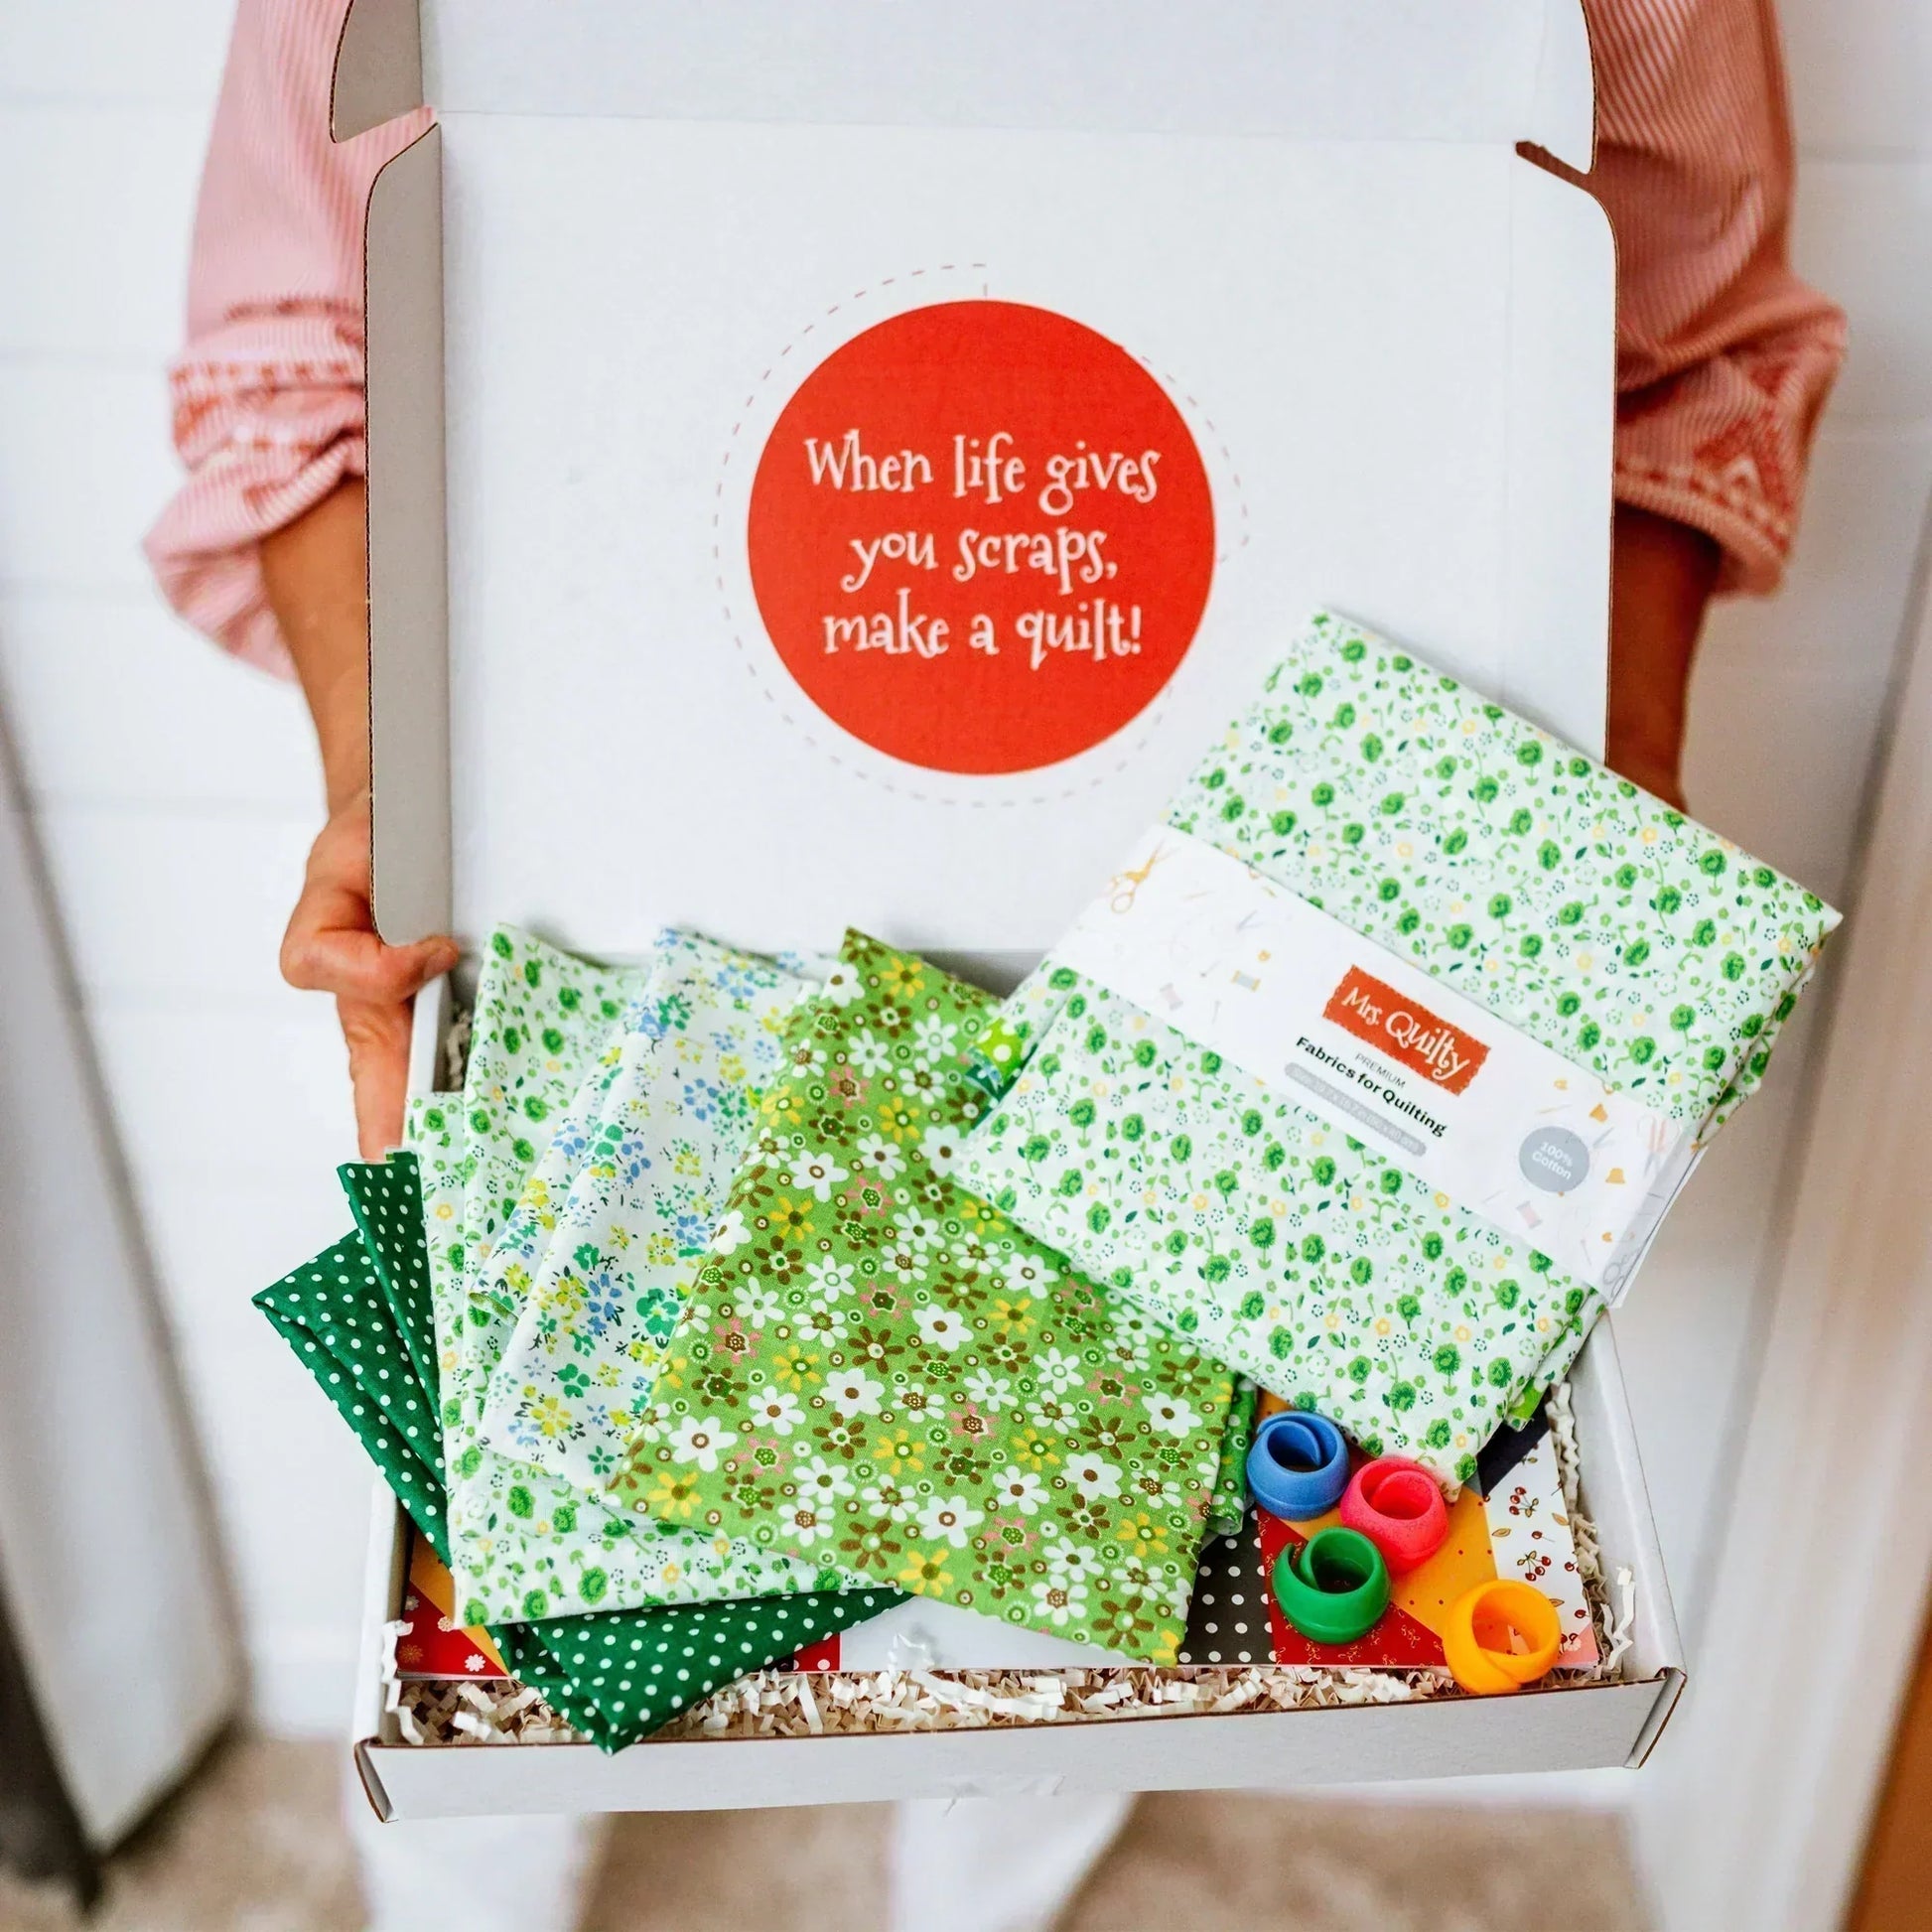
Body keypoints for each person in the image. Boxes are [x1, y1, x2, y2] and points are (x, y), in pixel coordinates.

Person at [148, 2, 1844, 1925]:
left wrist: (1558, 869)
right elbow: (286, 368)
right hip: (546, 924)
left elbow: (1679, 373)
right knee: (496, 1647)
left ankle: (987, 1879)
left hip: (1257, 980)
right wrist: (401, 777)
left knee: (1061, 1677)